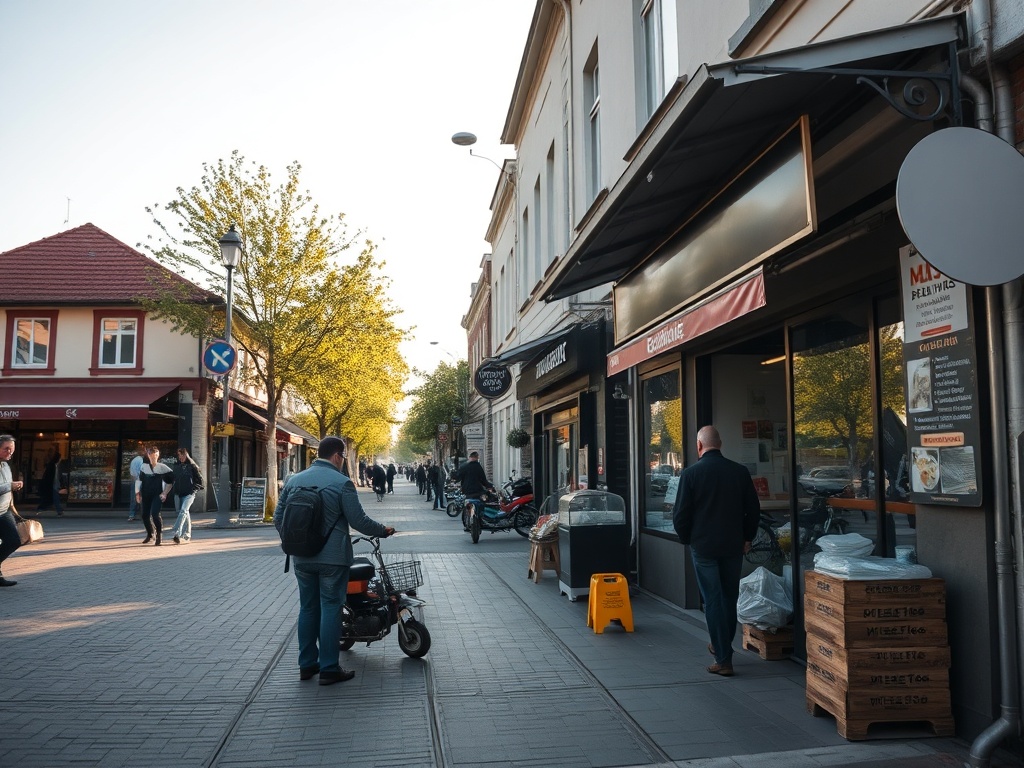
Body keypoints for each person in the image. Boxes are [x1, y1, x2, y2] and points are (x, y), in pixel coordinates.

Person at [273, 436, 395, 685]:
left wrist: (298, 542)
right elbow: (358, 521)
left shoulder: (294, 480)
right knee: (331, 608)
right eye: (344, 457)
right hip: (333, 560)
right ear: (338, 456)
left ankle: (306, 665)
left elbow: (279, 517)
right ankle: (329, 667)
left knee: (307, 608)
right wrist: (383, 530)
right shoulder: (342, 483)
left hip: (302, 558)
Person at [672, 425, 760, 677]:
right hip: (733, 545)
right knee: (729, 597)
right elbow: (753, 510)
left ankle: (723, 658)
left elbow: (680, 515)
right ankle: (722, 647)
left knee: (712, 599)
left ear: (699, 446)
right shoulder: (739, 472)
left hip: (704, 546)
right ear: (719, 444)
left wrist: (688, 539)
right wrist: (747, 537)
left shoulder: (691, 474)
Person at [0, 435, 25, 586]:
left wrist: (12, 507)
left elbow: (7, 487)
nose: (10, 452)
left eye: (12, 449)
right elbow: (6, 486)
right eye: (6, 449)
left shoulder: (6, 466)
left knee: (13, 541)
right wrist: (10, 486)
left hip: (4, 511)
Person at [136, 445, 174, 546]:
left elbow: (170, 483)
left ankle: (159, 535)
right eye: (152, 456)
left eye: (155, 456)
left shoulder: (163, 468)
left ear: (158, 455)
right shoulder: (144, 467)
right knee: (144, 515)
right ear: (148, 455)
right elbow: (139, 480)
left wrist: (164, 493)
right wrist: (137, 493)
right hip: (146, 494)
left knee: (155, 514)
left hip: (157, 494)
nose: (153, 458)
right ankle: (150, 533)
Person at [170, 447, 202, 544]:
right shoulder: (177, 466)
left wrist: (194, 489)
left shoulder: (192, 466)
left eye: (182, 455)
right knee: (185, 512)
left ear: (186, 455)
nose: (181, 457)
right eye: (179, 455)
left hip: (190, 493)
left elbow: (200, 480)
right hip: (180, 492)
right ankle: (187, 534)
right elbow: (173, 478)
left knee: (183, 510)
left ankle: (176, 532)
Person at [456, 451, 495, 529]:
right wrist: (490, 487)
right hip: (477, 490)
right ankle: (481, 518)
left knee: (467, 505)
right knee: (482, 503)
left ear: (470, 457)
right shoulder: (478, 466)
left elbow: (458, 477)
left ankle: (467, 522)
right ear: (476, 457)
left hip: (467, 491)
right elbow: (483, 480)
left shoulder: (464, 466)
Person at [127, 441, 146, 521]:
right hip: (139, 481)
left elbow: (131, 472)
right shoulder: (141, 461)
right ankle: (143, 514)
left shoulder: (134, 460)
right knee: (141, 498)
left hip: (134, 481)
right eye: (145, 451)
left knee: (133, 498)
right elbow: (142, 471)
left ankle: (132, 514)